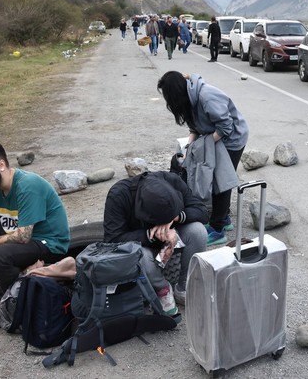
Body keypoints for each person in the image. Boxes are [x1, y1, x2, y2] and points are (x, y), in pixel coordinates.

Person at [0, 142, 70, 325]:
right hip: (20, 234)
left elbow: (23, 236)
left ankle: (17, 302)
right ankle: (9, 281)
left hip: (48, 242)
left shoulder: (27, 185)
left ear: (1, 165)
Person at [157, 71, 249, 246]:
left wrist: (203, 145)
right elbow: (194, 128)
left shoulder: (206, 96)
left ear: (176, 92)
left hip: (231, 138)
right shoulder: (187, 100)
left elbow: (226, 127)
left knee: (220, 182)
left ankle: (217, 229)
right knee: (214, 179)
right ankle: (225, 218)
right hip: (214, 137)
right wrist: (188, 148)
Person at [103, 171, 208, 314]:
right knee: (141, 255)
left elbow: (202, 211)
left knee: (198, 231)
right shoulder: (119, 195)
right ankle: (162, 290)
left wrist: (177, 218)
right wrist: (150, 235)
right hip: (144, 243)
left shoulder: (172, 180)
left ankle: (185, 286)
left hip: (173, 237)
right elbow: (112, 240)